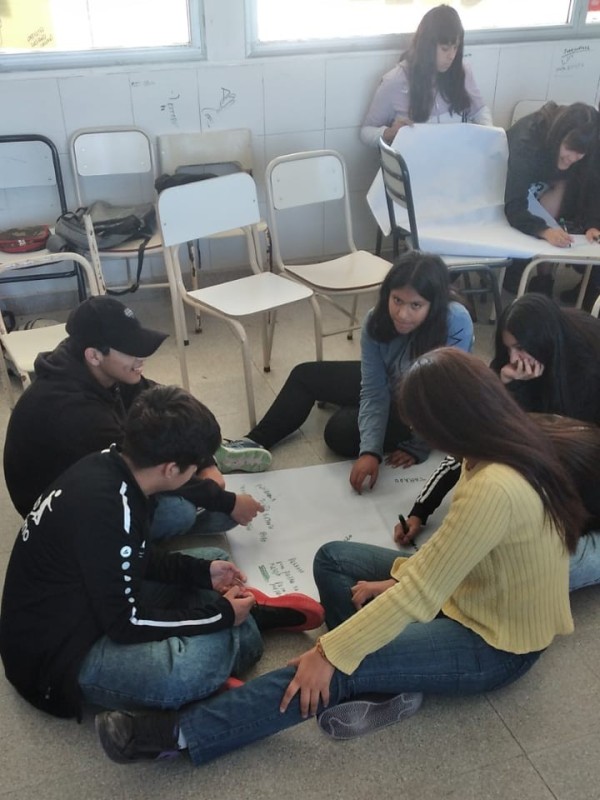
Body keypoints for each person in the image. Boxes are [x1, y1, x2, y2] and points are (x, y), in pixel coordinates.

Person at [94, 347, 586, 765]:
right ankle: (387, 667)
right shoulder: (493, 440)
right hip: (467, 591)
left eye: (418, 422)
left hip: (496, 642)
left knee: (340, 663)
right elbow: (452, 551)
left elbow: (420, 593)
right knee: (334, 559)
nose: (413, 430)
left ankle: (179, 735)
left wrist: (331, 653)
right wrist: (389, 588)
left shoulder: (495, 486)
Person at [0, 385, 325, 720]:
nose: (198, 476)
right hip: (59, 657)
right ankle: (235, 635)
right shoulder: (111, 510)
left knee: (212, 561)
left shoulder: (114, 466)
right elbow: (126, 622)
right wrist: (222, 616)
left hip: (87, 601)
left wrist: (202, 573)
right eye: (195, 468)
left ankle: (234, 631)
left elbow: (134, 556)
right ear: (171, 470)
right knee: (185, 670)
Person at [2, 296, 267, 539]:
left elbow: (162, 401)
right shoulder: (77, 415)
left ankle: (202, 459)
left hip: (102, 471)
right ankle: (192, 476)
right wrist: (227, 502)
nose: (141, 359)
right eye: (131, 351)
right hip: (62, 518)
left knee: (180, 434)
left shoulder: (95, 366)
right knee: (177, 513)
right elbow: (145, 470)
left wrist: (205, 464)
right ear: (94, 355)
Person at [221, 253, 473, 494]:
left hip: (420, 406)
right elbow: (373, 390)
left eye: (416, 305)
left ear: (433, 305)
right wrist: (370, 450)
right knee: (305, 375)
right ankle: (250, 444)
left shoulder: (455, 321)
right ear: (387, 293)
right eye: (397, 300)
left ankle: (372, 421)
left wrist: (418, 446)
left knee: (339, 433)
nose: (402, 314)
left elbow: (442, 396)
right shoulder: (376, 320)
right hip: (391, 384)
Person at [398, 294, 600, 550]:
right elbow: (472, 441)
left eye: (520, 348)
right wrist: (420, 510)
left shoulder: (585, 371)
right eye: (508, 348)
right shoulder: (511, 365)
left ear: (544, 343)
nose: (514, 358)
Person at [360, 4, 492, 149]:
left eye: (456, 48)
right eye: (445, 49)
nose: (452, 56)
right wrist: (390, 133)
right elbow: (366, 132)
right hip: (414, 160)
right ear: (427, 46)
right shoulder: (395, 81)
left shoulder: (461, 72)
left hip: (455, 157)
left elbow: (480, 111)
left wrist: (488, 138)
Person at [503, 100, 600, 298]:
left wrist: (592, 224)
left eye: (579, 153)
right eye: (569, 149)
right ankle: (524, 266)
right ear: (559, 138)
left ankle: (545, 278)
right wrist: (544, 230)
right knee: (544, 211)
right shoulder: (527, 141)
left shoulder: (586, 143)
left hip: (551, 181)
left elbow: (592, 183)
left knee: (563, 189)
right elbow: (514, 203)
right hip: (508, 182)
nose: (572, 157)